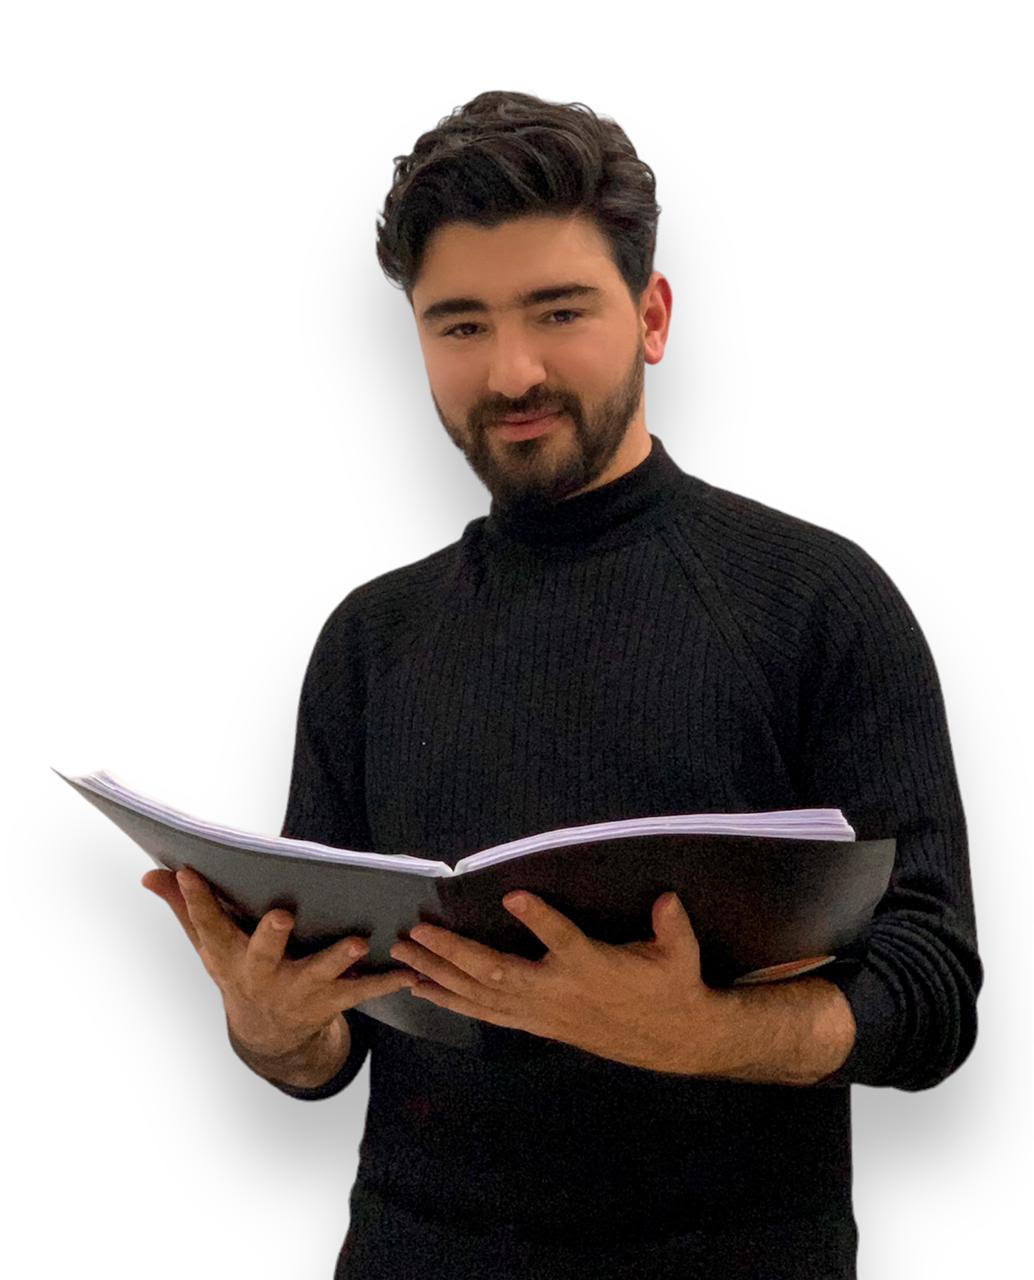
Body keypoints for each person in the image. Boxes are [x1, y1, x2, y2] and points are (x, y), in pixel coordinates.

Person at [143, 90, 983, 1279]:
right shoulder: (369, 639)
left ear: (651, 315)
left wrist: (705, 1033)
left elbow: (931, 990)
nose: (512, 370)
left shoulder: (818, 600)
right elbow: (330, 1042)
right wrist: (270, 1025)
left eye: (558, 311)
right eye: (460, 324)